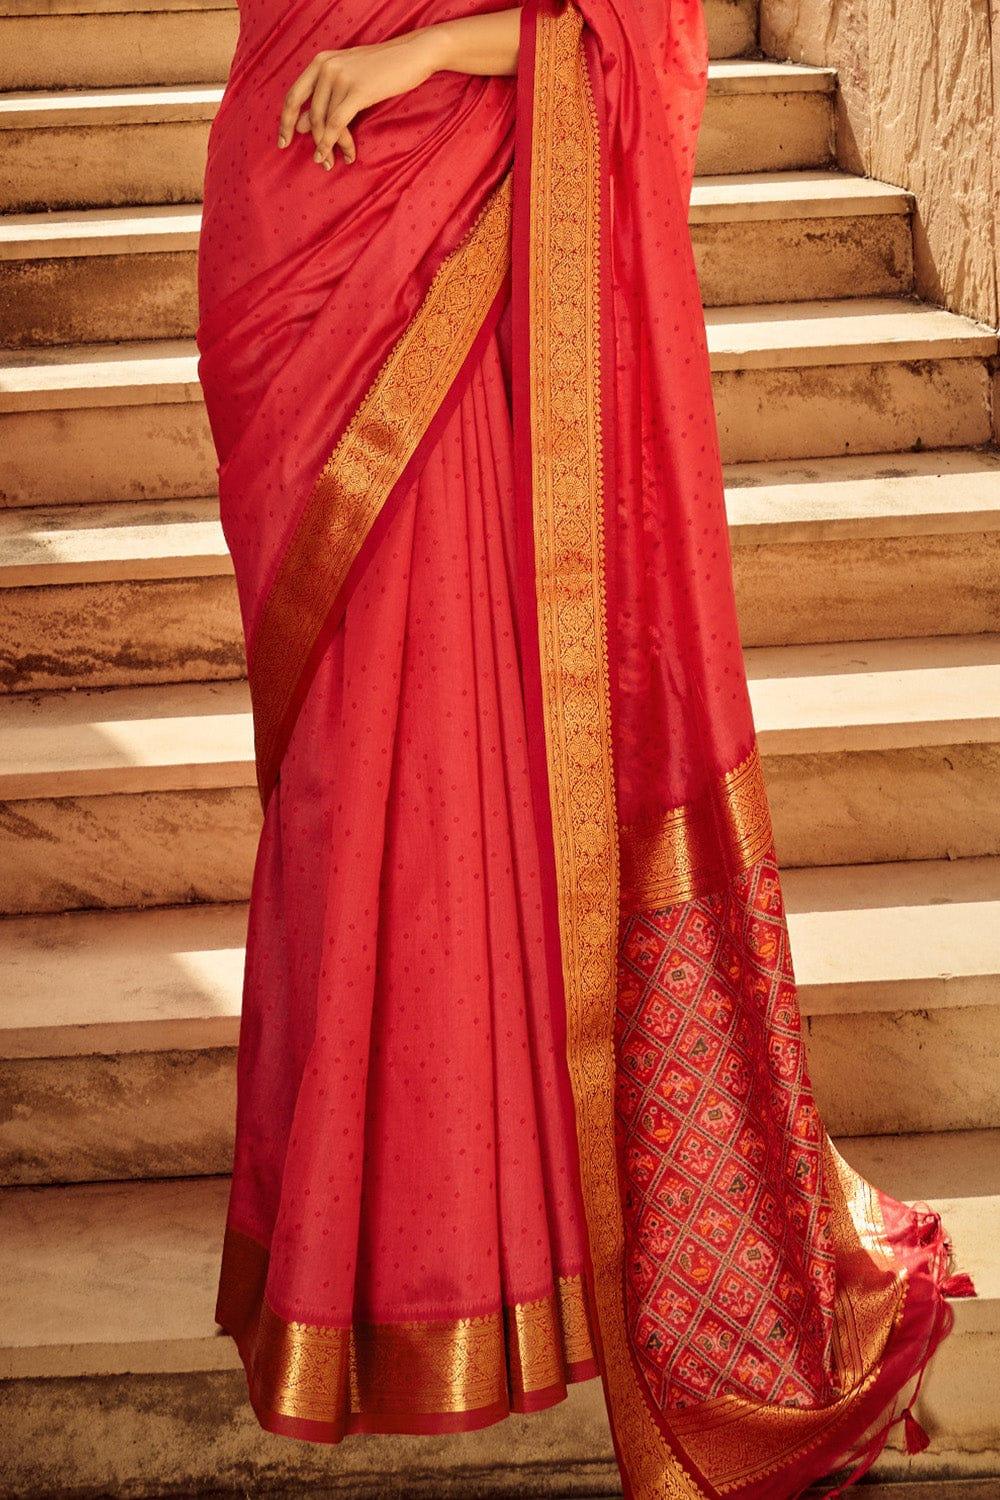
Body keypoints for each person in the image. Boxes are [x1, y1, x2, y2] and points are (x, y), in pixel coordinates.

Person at [196, 0, 970, 1493]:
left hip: (462, 211)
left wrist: (419, 53)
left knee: (445, 763)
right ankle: (379, 1245)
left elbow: (651, 28)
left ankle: (488, 1241)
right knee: (362, 773)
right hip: (303, 214)